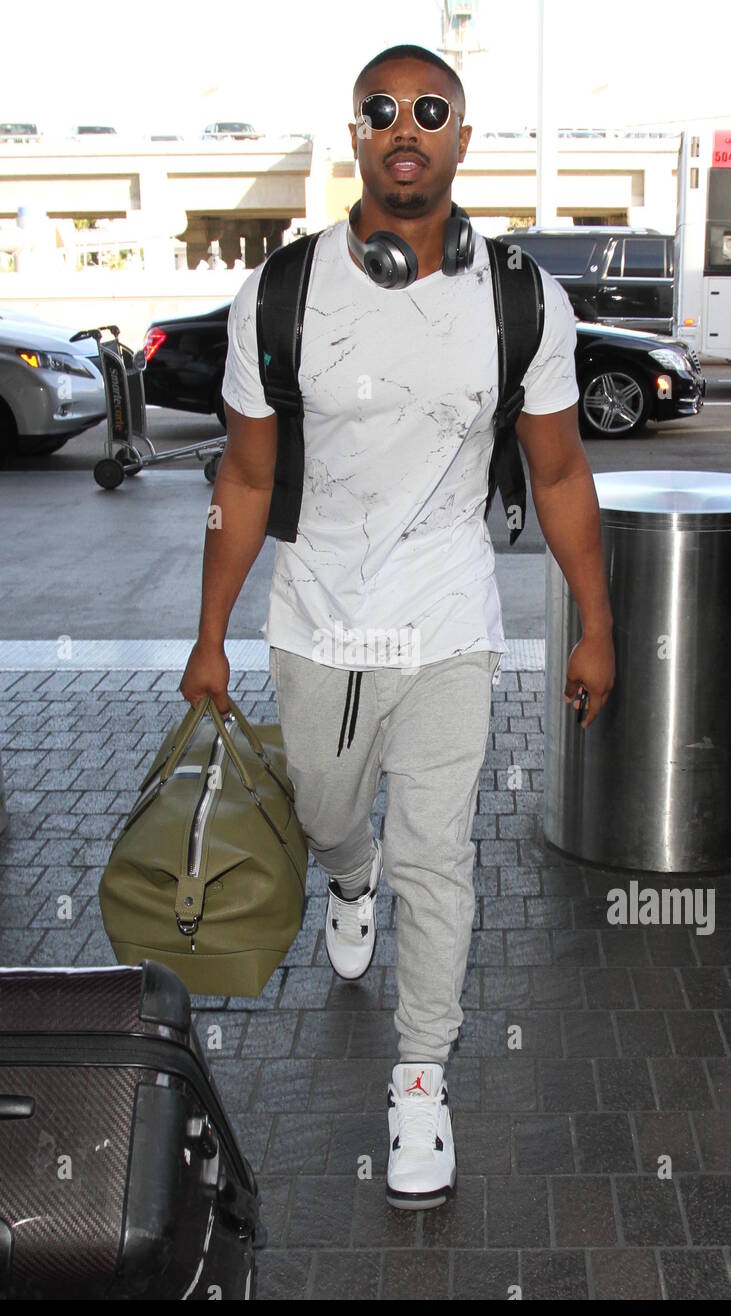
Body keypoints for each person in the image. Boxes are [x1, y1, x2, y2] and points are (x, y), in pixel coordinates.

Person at [180, 43, 616, 1210]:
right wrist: (210, 630)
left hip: (447, 622)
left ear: (462, 137)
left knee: (441, 855)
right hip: (318, 620)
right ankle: (346, 876)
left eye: (430, 109)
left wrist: (595, 624)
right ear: (356, 136)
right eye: (381, 110)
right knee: (327, 812)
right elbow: (246, 474)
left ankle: (420, 1076)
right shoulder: (281, 291)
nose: (404, 126)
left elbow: (562, 471)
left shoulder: (520, 297)